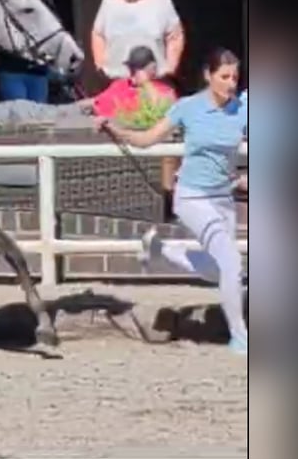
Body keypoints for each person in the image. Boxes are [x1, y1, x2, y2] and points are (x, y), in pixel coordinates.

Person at [93, 48, 248, 355]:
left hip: (222, 199)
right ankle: (240, 337)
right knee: (232, 263)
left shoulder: (243, 108)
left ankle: (163, 252)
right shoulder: (187, 107)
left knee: (222, 271)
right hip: (191, 197)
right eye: (224, 76)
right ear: (208, 75)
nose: (231, 83)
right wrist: (113, 128)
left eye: (235, 77)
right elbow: (147, 139)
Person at [91, 0, 185, 83]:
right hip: (117, 78)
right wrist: (100, 65)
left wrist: (170, 66)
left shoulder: (160, 1)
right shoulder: (110, 1)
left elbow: (175, 35)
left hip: (154, 79)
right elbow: (98, 33)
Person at [0, 0, 52, 103]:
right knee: (19, 117)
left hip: (38, 71)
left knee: (39, 117)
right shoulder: (8, 2)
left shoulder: (44, 2)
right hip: (13, 69)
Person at [78, 45, 176, 118]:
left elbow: (161, 109)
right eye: (130, 69)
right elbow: (97, 100)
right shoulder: (120, 85)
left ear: (152, 69)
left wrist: (146, 83)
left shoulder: (164, 91)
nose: (132, 74)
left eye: (136, 70)